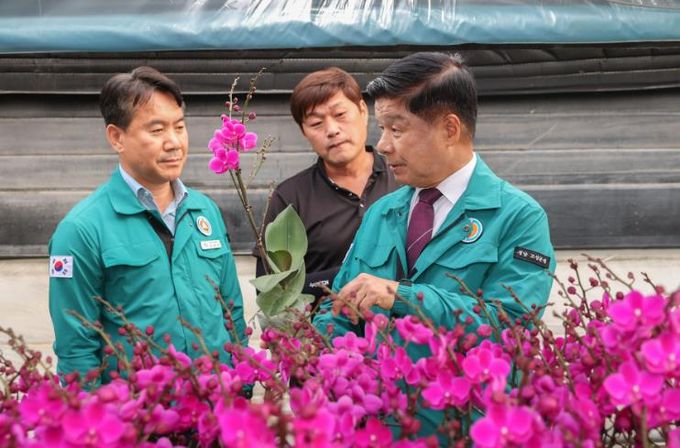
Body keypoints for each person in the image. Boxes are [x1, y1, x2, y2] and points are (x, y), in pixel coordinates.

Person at [313, 52, 555, 434]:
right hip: (378, 431)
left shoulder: (517, 217)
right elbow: (341, 305)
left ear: (449, 129)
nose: (383, 145)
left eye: (397, 129)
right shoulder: (382, 213)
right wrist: (317, 355)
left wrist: (404, 297)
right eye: (381, 129)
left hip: (463, 431)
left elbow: (510, 327)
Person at [48, 66, 247, 386]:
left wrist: (242, 385)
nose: (174, 142)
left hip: (216, 404)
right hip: (140, 413)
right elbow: (77, 350)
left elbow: (231, 312)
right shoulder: (81, 230)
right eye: (157, 130)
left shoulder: (204, 211)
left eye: (179, 127)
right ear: (117, 137)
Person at [255, 67, 396, 301]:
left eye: (340, 114)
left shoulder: (404, 178)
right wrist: (345, 276)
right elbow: (270, 292)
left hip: (404, 321)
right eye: (316, 123)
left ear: (363, 111)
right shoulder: (290, 198)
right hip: (322, 323)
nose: (332, 130)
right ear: (303, 132)